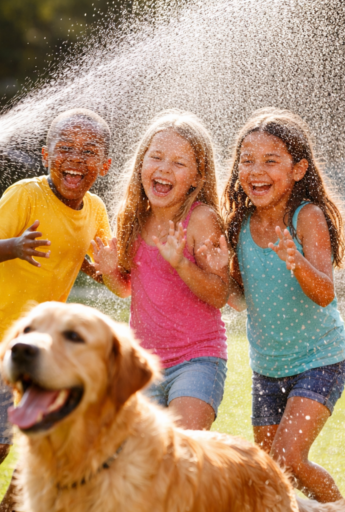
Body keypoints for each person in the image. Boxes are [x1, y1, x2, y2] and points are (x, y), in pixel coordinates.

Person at [0, 108, 112, 512]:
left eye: (88, 152)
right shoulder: (25, 194)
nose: (74, 158)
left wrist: (100, 270)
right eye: (64, 148)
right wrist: (14, 246)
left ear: (103, 166)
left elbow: (102, 263)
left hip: (42, 348)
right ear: (45, 154)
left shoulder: (96, 210)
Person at [220, 108, 345, 502]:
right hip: (268, 367)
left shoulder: (305, 217)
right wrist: (217, 274)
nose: (256, 170)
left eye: (270, 161)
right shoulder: (239, 225)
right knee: (271, 473)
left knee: (289, 458)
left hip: (319, 359)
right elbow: (241, 300)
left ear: (297, 169)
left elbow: (325, 291)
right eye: (247, 160)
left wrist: (296, 262)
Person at [93, 110, 229, 431]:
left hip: (198, 359)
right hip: (144, 365)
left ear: (197, 177)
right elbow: (127, 288)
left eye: (179, 163)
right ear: (142, 164)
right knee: (143, 463)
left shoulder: (201, 220)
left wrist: (181, 263)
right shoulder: (133, 218)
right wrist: (111, 272)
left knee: (182, 452)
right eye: (156, 157)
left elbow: (219, 294)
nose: (164, 168)